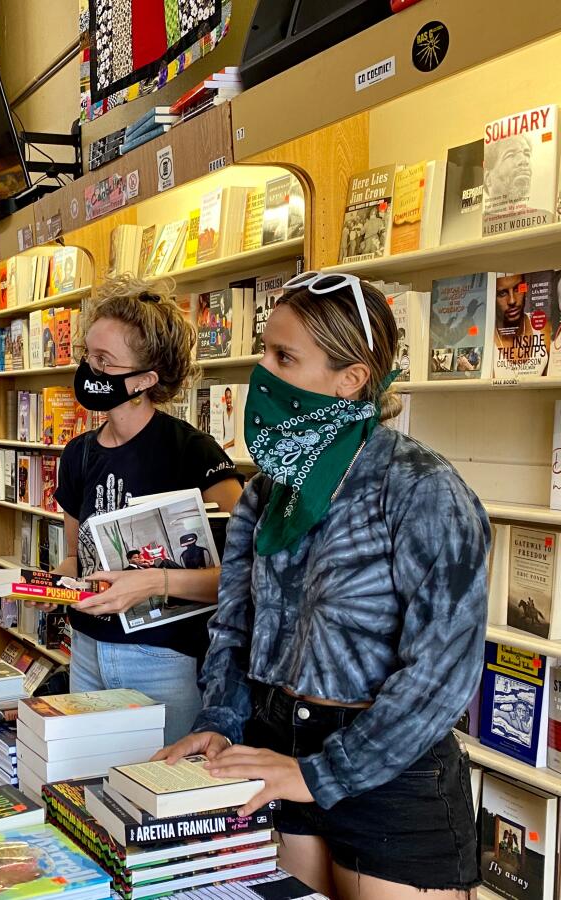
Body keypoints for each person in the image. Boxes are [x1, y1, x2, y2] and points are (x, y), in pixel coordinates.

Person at [159, 273, 488, 898]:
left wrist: (321, 773)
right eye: (264, 350)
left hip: (388, 774)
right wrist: (222, 721)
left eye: (284, 357)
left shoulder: (422, 489)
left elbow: (442, 673)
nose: (261, 371)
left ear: (351, 378)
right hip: (279, 750)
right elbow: (235, 625)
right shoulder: (266, 491)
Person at [52, 277, 243, 741]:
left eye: (104, 361)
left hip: (164, 658)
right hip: (87, 647)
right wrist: (56, 585)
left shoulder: (192, 452)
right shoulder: (77, 454)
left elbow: (247, 576)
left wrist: (153, 583)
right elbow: (73, 556)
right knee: (91, 790)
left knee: (161, 794)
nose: (89, 370)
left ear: (144, 380)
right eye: (87, 356)